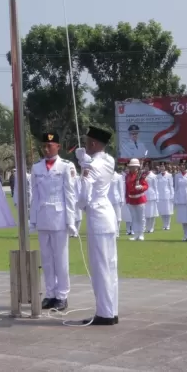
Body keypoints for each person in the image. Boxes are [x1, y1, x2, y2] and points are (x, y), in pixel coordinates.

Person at [75, 126, 118, 326]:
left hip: (97, 217)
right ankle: (111, 310)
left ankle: (105, 314)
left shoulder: (92, 166)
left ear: (93, 144)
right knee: (110, 266)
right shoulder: (109, 160)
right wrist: (85, 161)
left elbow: (84, 194)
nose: (84, 145)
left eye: (86, 142)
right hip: (107, 215)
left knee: (100, 268)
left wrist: (85, 167)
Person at [29, 132, 77, 312]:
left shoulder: (66, 166)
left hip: (59, 217)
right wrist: (32, 220)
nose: (47, 148)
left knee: (61, 258)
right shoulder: (37, 168)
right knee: (47, 259)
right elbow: (34, 195)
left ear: (58, 146)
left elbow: (70, 195)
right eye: (45, 146)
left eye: (50, 145)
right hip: (42, 216)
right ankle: (50, 293)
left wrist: (71, 221)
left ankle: (62, 295)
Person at [124, 158, 148, 241]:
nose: (132, 168)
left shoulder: (141, 175)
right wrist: (126, 198)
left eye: (134, 167)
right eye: (131, 166)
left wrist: (141, 187)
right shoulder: (127, 176)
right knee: (134, 218)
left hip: (139, 198)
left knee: (141, 217)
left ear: (137, 167)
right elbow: (127, 188)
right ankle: (136, 234)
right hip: (131, 199)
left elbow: (146, 186)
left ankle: (141, 234)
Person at [156, 164, 174, 231]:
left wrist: (172, 195)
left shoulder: (169, 175)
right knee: (162, 211)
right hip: (160, 195)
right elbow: (157, 186)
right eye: (161, 167)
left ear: (165, 167)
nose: (162, 168)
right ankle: (164, 224)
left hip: (167, 195)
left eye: (163, 166)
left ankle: (168, 225)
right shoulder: (158, 176)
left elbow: (171, 186)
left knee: (168, 211)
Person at [108, 166, 123, 237]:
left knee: (118, 217)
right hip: (108, 199)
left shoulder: (118, 176)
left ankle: (117, 232)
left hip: (117, 198)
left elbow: (121, 189)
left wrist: (122, 199)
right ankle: (111, 231)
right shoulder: (107, 176)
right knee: (109, 216)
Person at [143, 161, 158, 233]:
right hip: (144, 195)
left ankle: (151, 227)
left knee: (152, 213)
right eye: (145, 166)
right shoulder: (142, 175)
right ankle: (146, 227)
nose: (146, 167)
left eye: (147, 166)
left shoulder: (153, 176)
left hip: (152, 195)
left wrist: (157, 196)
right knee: (145, 213)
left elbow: (156, 187)